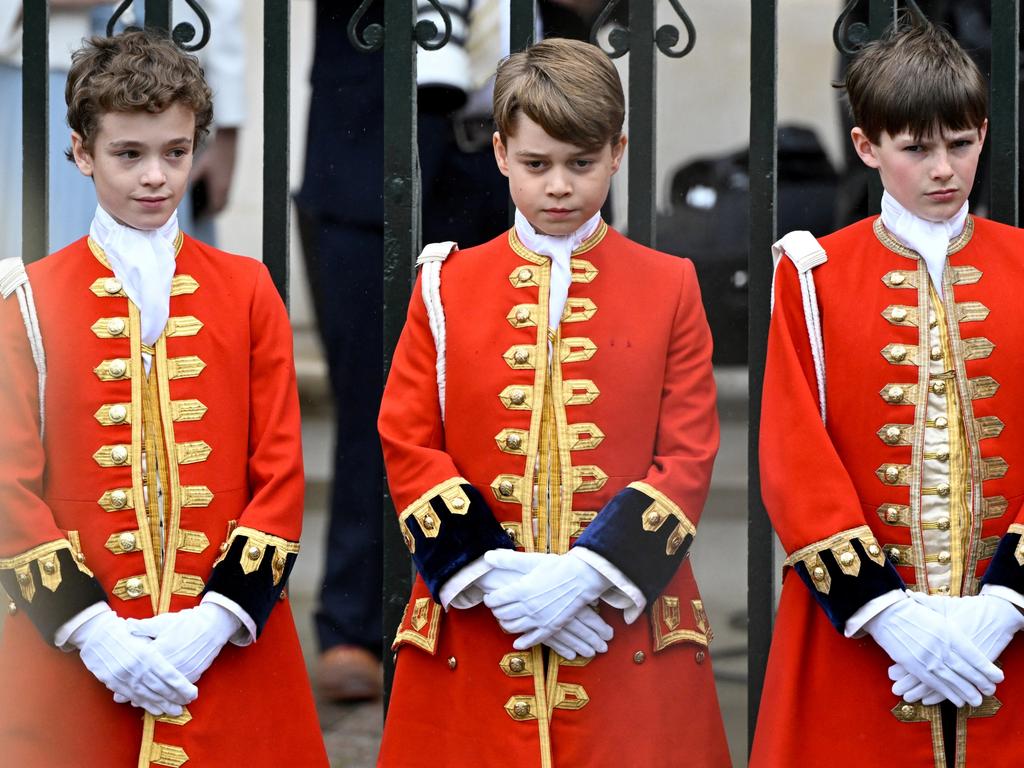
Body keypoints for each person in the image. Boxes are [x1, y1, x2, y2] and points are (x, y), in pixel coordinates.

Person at [376, 37, 730, 767]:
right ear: (501, 153)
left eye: (582, 163)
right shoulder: (445, 285)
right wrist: (501, 580)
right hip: (478, 622)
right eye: (536, 165)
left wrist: (585, 577)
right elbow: (408, 438)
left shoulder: (671, 285)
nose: (559, 186)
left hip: (623, 628)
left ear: (618, 152)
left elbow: (688, 454)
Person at [0, 30, 326, 767]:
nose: (155, 176)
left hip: (226, 651)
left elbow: (279, 470)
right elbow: (7, 485)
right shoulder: (24, 302)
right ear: (82, 153)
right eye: (128, 154)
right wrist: (90, 630)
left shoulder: (247, 290)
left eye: (175, 153)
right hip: (75, 667)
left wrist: (217, 619)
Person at [752, 20, 1024, 767]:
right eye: (916, 149)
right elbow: (791, 455)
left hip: (1010, 635)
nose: (945, 169)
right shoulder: (812, 279)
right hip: (861, 635)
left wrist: (1005, 604)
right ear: (868, 147)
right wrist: (884, 613)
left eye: (962, 143)